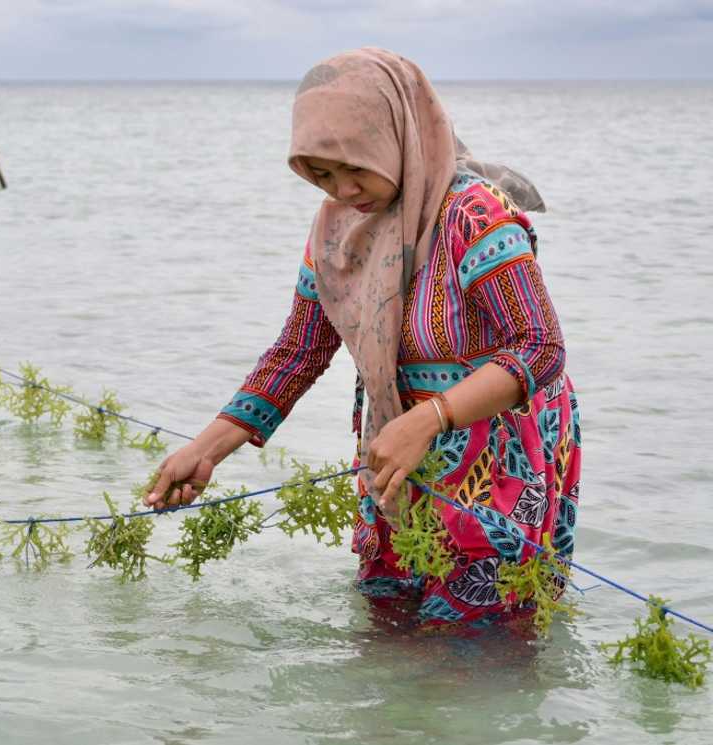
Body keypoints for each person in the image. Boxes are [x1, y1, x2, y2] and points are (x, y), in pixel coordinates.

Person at [145, 48, 581, 629]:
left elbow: (540, 347)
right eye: (321, 175)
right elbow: (299, 350)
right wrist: (204, 452)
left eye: (355, 166)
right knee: (389, 634)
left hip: (494, 458)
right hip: (394, 454)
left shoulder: (474, 216)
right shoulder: (336, 229)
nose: (344, 189)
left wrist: (429, 421)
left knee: (480, 653)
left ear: (396, 136)